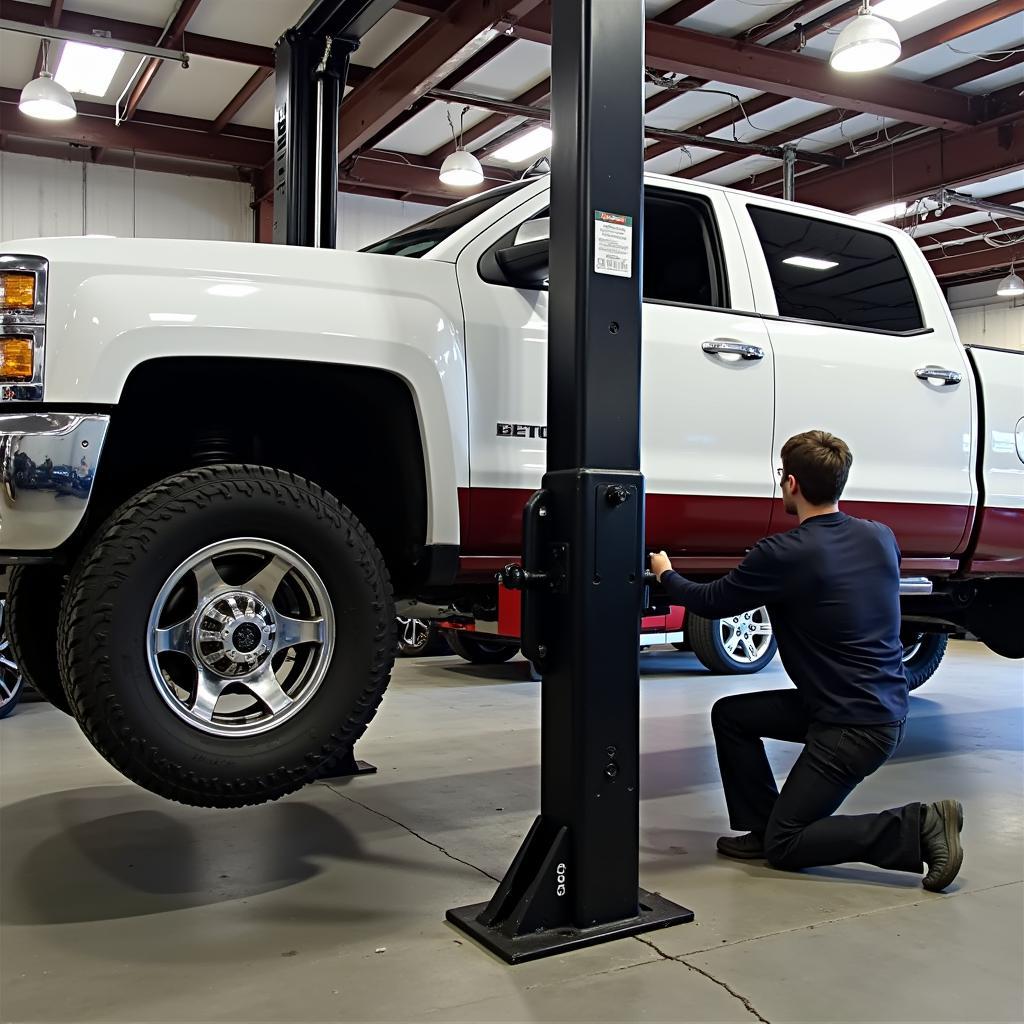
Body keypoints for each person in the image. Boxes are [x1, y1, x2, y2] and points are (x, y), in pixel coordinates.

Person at [649, 430, 964, 892]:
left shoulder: (783, 553)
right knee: (732, 716)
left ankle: (918, 826)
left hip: (854, 726)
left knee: (789, 845)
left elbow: (712, 601)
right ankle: (761, 825)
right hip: (868, 706)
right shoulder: (880, 537)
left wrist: (666, 572)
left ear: (791, 483)